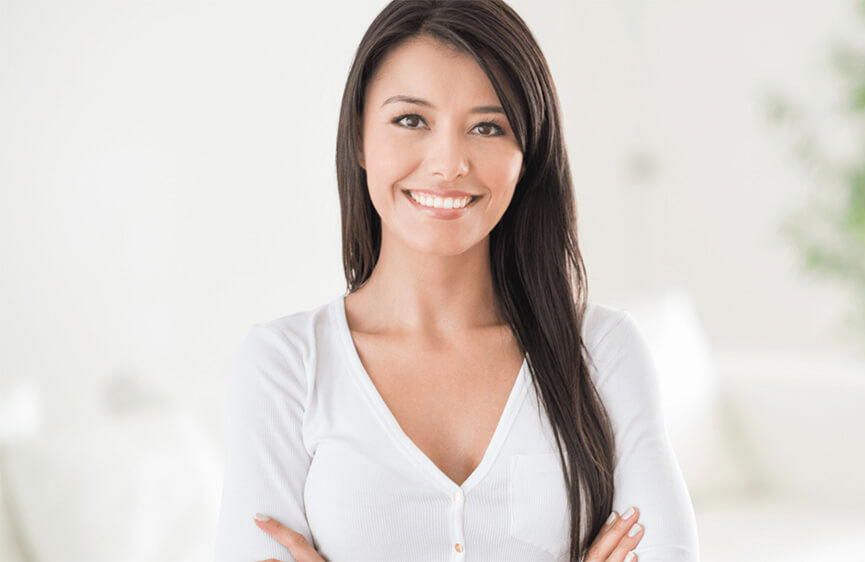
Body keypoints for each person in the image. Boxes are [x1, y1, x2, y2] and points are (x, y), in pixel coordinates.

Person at [213, 1, 699, 560]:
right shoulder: (286, 365)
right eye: (411, 120)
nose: (448, 164)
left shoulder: (603, 353)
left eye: (487, 127)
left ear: (527, 155)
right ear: (358, 137)